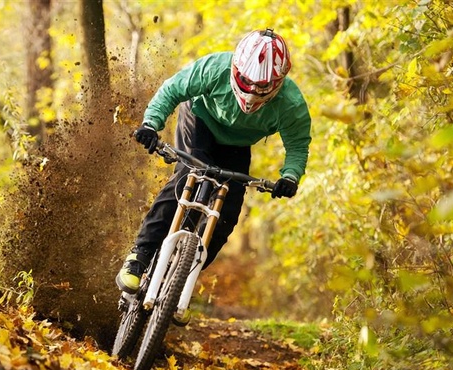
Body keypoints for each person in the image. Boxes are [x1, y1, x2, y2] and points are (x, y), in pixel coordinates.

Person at [116, 28, 312, 294]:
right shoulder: (214, 67)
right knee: (188, 177)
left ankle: (180, 281)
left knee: (228, 212)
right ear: (236, 68)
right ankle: (139, 256)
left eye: (262, 86)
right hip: (200, 122)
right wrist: (151, 124)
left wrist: (290, 176)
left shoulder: (291, 104)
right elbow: (172, 90)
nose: (253, 91)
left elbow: (298, 145)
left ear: (278, 82)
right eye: (246, 81)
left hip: (238, 144)